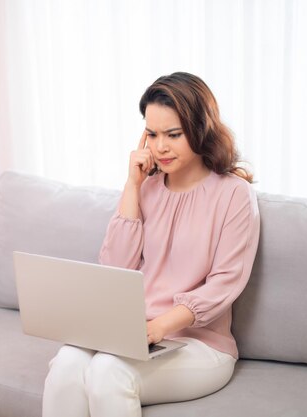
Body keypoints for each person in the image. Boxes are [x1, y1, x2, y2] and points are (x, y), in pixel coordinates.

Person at [41, 72, 261, 417]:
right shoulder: (147, 189)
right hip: (133, 333)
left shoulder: (234, 195)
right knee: (66, 364)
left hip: (198, 343)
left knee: (108, 371)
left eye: (173, 134)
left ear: (200, 128)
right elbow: (114, 268)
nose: (160, 147)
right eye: (153, 134)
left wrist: (159, 327)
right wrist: (132, 185)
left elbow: (225, 281)